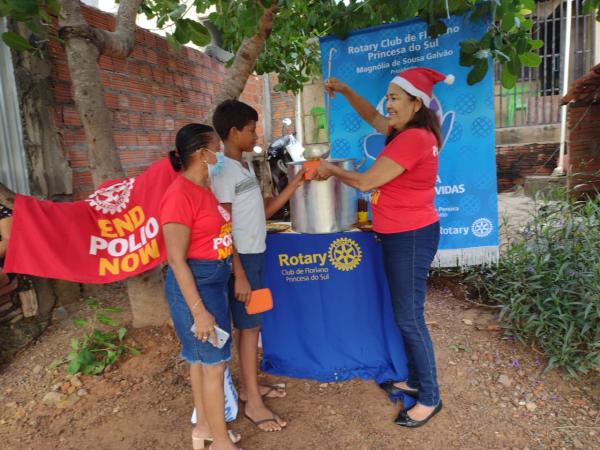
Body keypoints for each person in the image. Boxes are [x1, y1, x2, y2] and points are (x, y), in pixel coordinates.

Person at [313, 68, 454, 428]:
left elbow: (366, 180)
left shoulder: (415, 138)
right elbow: (372, 116)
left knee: (409, 318)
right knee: (405, 315)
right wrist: (345, 89)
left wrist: (329, 168)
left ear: (415, 102)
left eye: (394, 97)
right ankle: (418, 381)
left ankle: (430, 397)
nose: (387, 104)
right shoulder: (407, 131)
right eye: (388, 96)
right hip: (401, 233)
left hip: (410, 235)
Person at [211, 99, 304, 432]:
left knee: (252, 325)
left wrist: (293, 186)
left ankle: (251, 386)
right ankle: (253, 401)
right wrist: (239, 273)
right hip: (242, 260)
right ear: (233, 132)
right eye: (251, 129)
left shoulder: (243, 166)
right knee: (249, 327)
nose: (256, 134)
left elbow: (260, 213)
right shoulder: (222, 171)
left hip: (255, 254)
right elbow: (221, 226)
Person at [160, 123, 240, 450]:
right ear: (199, 153)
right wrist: (199, 312)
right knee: (214, 365)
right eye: (216, 148)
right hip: (196, 285)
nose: (219, 154)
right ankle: (221, 443)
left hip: (213, 279)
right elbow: (177, 260)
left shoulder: (202, 189)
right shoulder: (178, 196)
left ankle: (205, 429)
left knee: (200, 361)